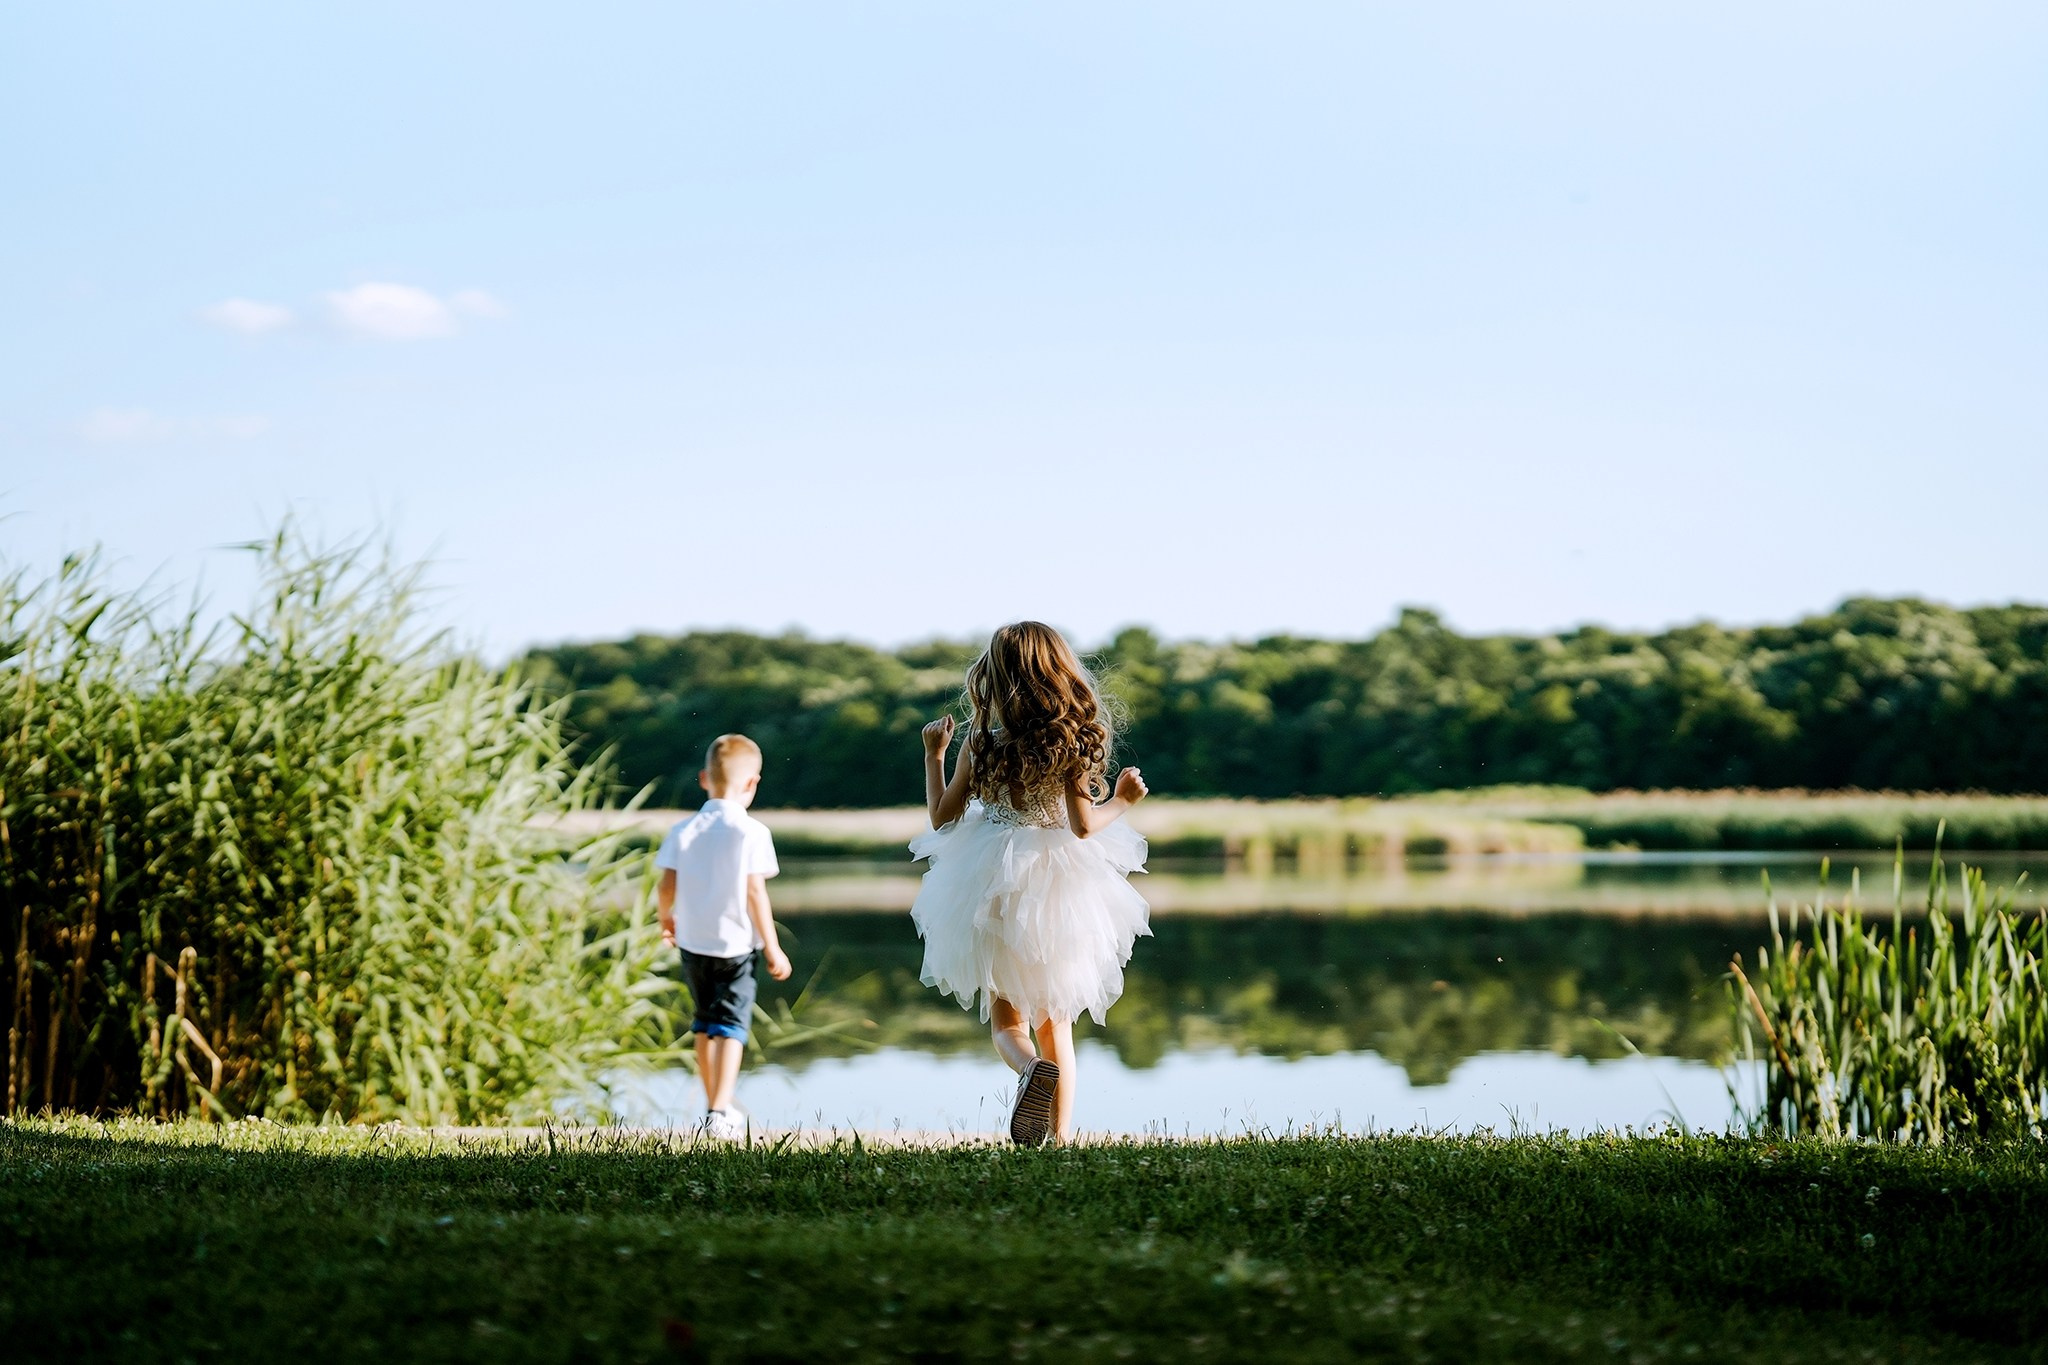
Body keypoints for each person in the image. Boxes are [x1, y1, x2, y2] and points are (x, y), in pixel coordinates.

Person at [910, 621, 1152, 1145]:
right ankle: (1058, 1143)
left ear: (995, 678)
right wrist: (1125, 802)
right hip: (1060, 888)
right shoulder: (1071, 743)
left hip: (989, 880)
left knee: (1007, 1025)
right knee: (1056, 1026)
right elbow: (1084, 827)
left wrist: (933, 754)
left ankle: (1026, 1072)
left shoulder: (982, 744)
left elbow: (941, 820)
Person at [655, 733, 792, 1140]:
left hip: (693, 943)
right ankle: (720, 1109)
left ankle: (712, 1105)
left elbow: (665, 885)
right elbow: (754, 892)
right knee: (731, 1022)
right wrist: (773, 947)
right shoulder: (752, 832)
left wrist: (666, 920)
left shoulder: (683, 829)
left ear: (703, 779)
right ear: (752, 784)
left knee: (704, 1022)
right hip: (735, 946)